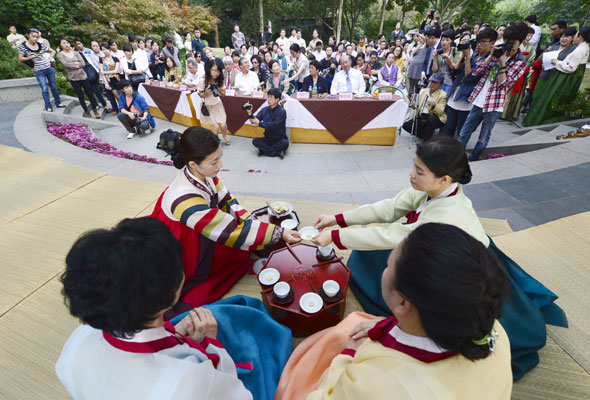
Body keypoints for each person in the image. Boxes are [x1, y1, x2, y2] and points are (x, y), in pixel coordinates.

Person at [310, 135, 567, 381]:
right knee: (370, 252)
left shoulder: (446, 214)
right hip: (431, 246)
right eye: (414, 166)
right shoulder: (434, 190)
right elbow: (391, 208)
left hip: (463, 268)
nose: (412, 174)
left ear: (444, 178)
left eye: (419, 171)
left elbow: (395, 236)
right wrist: (339, 219)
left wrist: (335, 237)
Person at [276, 223, 512, 400]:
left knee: (313, 357)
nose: (385, 268)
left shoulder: (374, 387)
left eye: (389, 264)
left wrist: (348, 355)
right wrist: (385, 327)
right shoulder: (485, 321)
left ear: (402, 303)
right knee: (359, 323)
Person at [56, 216, 257, 399]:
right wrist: (211, 344)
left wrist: (176, 335)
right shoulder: (189, 381)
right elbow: (238, 395)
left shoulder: (78, 340)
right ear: (170, 293)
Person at [151, 127, 300, 314]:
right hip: (181, 237)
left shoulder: (205, 176)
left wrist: (252, 221)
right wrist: (278, 232)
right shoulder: (184, 198)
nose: (219, 165)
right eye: (214, 161)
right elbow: (230, 231)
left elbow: (228, 202)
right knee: (206, 274)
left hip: (203, 223)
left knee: (238, 249)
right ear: (193, 164)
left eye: (220, 157)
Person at [458, 23, 528, 161]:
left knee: (483, 138)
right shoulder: (498, 51)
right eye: (506, 41)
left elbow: (504, 84)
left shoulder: (520, 62)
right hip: (479, 100)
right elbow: (476, 72)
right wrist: (490, 57)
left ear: (521, 42)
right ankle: (456, 157)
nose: (508, 45)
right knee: (464, 133)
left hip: (494, 105)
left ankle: (473, 160)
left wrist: (502, 63)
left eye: (512, 43)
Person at [523, 27, 589, 127]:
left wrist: (557, 62)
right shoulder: (584, 47)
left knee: (548, 100)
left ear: (580, 36)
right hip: (551, 75)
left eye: (575, 35)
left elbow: (570, 67)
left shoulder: (579, 49)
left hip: (563, 78)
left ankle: (537, 121)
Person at [444, 29, 495, 138]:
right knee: (449, 127)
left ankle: (455, 152)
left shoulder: (489, 60)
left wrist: (467, 57)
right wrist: (463, 56)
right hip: (456, 93)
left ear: (492, 43)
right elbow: (455, 71)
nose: (479, 44)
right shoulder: (474, 56)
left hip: (467, 99)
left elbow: (470, 78)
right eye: (478, 41)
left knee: (460, 129)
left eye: (483, 42)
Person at [18, 28, 63, 112]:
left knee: (53, 86)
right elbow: (20, 59)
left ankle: (58, 102)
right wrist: (31, 57)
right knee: (44, 88)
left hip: (48, 68)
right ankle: (48, 106)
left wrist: (49, 59)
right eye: (34, 36)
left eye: (37, 37)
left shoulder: (40, 45)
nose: (35, 38)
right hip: (39, 71)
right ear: (28, 35)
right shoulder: (23, 46)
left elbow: (52, 51)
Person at [57, 37, 100, 119]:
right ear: (60, 45)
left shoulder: (76, 52)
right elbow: (66, 64)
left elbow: (83, 63)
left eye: (67, 43)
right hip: (73, 78)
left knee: (90, 93)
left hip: (83, 76)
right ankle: (87, 112)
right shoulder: (60, 54)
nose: (66, 45)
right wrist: (76, 64)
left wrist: (74, 65)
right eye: (64, 43)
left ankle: (95, 109)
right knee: (81, 95)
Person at [246, 88, 289, 158]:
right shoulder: (264, 109)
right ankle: (276, 152)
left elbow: (274, 125)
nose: (268, 99)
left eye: (271, 98)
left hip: (279, 138)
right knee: (255, 141)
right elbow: (254, 121)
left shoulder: (282, 111)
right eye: (268, 97)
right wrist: (250, 113)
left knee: (285, 143)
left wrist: (259, 123)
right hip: (268, 138)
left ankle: (264, 150)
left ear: (277, 99)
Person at [402, 73, 446, 139]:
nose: (432, 84)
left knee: (431, 119)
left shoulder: (443, 95)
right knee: (405, 125)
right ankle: (424, 135)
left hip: (435, 117)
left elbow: (440, 112)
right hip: (422, 116)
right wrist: (412, 100)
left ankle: (426, 139)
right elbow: (416, 107)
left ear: (441, 84)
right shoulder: (423, 91)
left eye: (435, 82)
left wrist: (434, 106)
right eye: (431, 81)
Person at [198, 58, 230, 145]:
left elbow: (223, 94)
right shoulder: (203, 80)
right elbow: (200, 94)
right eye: (214, 70)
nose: (217, 73)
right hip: (208, 105)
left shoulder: (220, 79)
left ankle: (224, 135)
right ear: (209, 69)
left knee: (223, 124)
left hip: (218, 104)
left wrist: (217, 87)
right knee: (215, 126)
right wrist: (206, 93)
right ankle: (215, 142)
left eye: (218, 71)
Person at [74, 38, 109, 111]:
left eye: (79, 43)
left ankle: (104, 104)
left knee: (96, 89)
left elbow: (94, 61)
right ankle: (95, 104)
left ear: (82, 43)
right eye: (77, 44)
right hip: (84, 74)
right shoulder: (77, 53)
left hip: (93, 72)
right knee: (90, 90)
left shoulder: (89, 51)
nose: (78, 45)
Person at [432, 29, 461, 95]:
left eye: (447, 40)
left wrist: (448, 59)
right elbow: (434, 70)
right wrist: (435, 58)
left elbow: (455, 68)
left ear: (451, 41)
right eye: (443, 40)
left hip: (449, 83)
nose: (444, 42)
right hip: (437, 82)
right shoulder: (438, 51)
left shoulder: (455, 51)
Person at [99, 43, 120, 115]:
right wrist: (106, 83)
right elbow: (102, 73)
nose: (104, 51)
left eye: (106, 49)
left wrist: (105, 72)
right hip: (108, 80)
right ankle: (118, 109)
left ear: (109, 49)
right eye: (103, 50)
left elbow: (116, 70)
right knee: (116, 95)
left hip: (116, 79)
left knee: (120, 96)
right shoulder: (101, 60)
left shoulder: (115, 58)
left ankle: (123, 108)